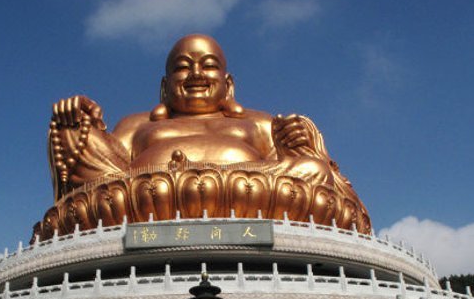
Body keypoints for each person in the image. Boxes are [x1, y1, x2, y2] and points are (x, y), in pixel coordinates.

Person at [45, 34, 369, 233]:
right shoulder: (137, 124)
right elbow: (103, 170)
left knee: (312, 169)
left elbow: (308, 171)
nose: (196, 74)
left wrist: (301, 143)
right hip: (151, 198)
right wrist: (78, 123)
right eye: (183, 67)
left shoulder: (259, 122)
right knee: (97, 170)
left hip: (248, 195)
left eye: (209, 65)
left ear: (228, 84)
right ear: (165, 86)